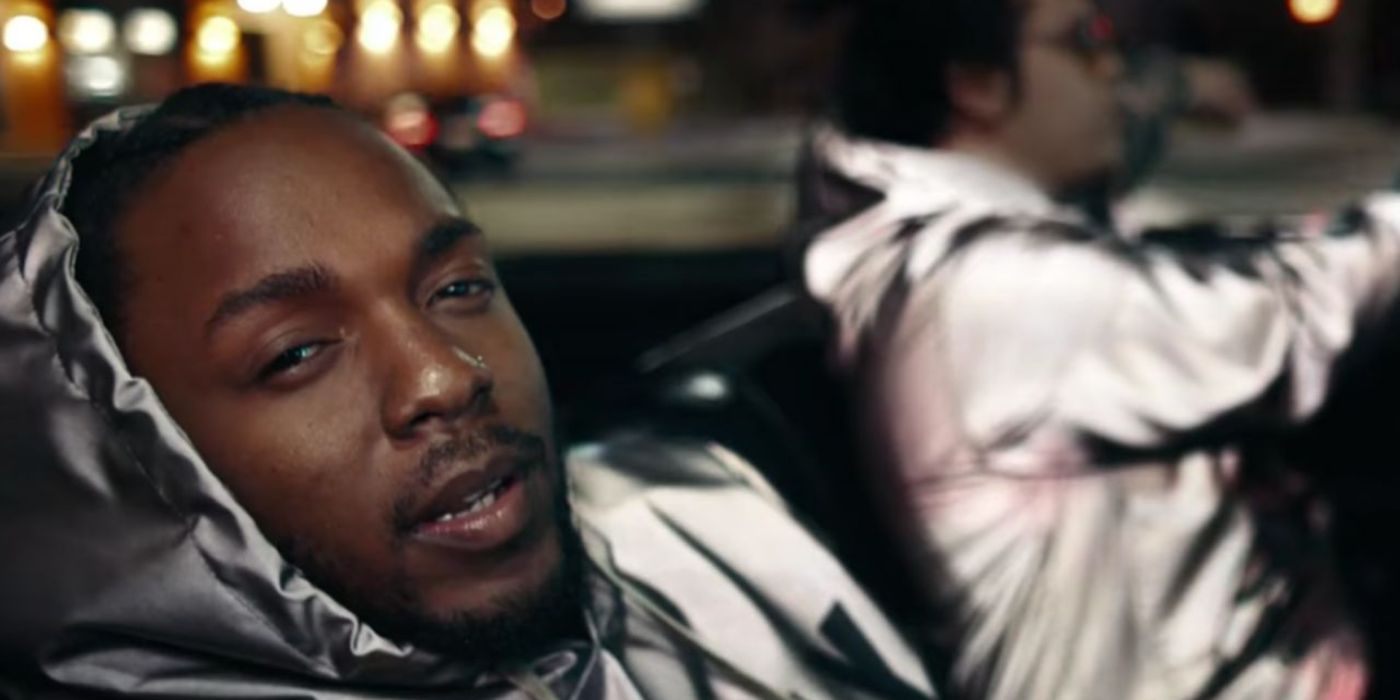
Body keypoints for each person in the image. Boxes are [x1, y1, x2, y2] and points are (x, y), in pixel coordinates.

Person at [0, 84, 935, 699]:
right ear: (126, 476)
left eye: (457, 289)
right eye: (295, 354)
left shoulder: (707, 533)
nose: (446, 376)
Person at [795, 0, 1397, 697]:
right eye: (1086, 40)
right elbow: (1289, 314)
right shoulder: (992, 291)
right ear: (978, 85)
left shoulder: (981, 250)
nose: (1113, 70)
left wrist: (1176, 91)